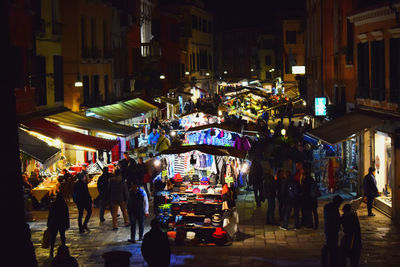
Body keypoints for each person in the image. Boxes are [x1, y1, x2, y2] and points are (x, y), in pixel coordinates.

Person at [323, 195, 344, 267]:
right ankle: (332, 262)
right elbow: (334, 219)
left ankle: (331, 260)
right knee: (332, 245)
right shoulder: (333, 209)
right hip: (332, 229)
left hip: (328, 228)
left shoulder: (328, 207)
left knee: (330, 244)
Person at [47, 192, 70, 257]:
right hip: (61, 222)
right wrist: (67, 223)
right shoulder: (64, 204)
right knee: (62, 235)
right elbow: (66, 215)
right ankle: (64, 247)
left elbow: (50, 214)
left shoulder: (53, 204)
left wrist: (48, 223)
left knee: (53, 236)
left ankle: (51, 249)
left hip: (54, 222)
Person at [72, 165, 92, 233]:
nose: (85, 177)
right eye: (84, 177)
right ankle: (84, 225)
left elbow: (73, 193)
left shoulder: (76, 184)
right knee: (89, 212)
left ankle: (81, 228)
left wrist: (75, 201)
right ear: (82, 178)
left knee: (80, 215)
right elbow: (86, 193)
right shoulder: (83, 184)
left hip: (79, 201)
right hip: (84, 201)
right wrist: (90, 200)